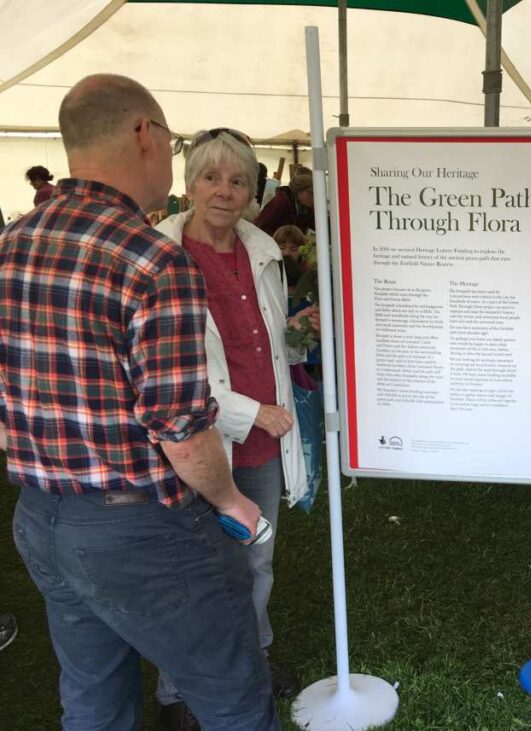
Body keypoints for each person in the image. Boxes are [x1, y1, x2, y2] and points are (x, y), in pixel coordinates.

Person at [0, 74, 279, 731]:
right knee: (235, 697)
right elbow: (181, 430)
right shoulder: (152, 259)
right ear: (144, 135)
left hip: (41, 512)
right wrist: (231, 502)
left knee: (93, 697)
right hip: (139, 527)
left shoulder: (11, 245)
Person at [154, 127, 319, 715]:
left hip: (262, 447)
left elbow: (268, 348)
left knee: (255, 561)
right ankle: (178, 691)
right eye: (211, 177)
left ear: (254, 190)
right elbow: (167, 373)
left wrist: (300, 336)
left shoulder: (264, 252)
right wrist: (254, 413)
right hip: (196, 445)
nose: (224, 191)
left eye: (239, 180)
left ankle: (254, 662)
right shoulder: (160, 259)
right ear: (190, 184)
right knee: (192, 572)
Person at [254, 170, 314, 235]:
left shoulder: (305, 208)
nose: (314, 198)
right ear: (300, 191)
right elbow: (261, 226)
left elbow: (314, 224)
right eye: (311, 193)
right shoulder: (280, 202)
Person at [272, 223, 308, 293]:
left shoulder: (307, 275)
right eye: (282, 248)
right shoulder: (269, 272)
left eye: (293, 249)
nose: (287, 253)